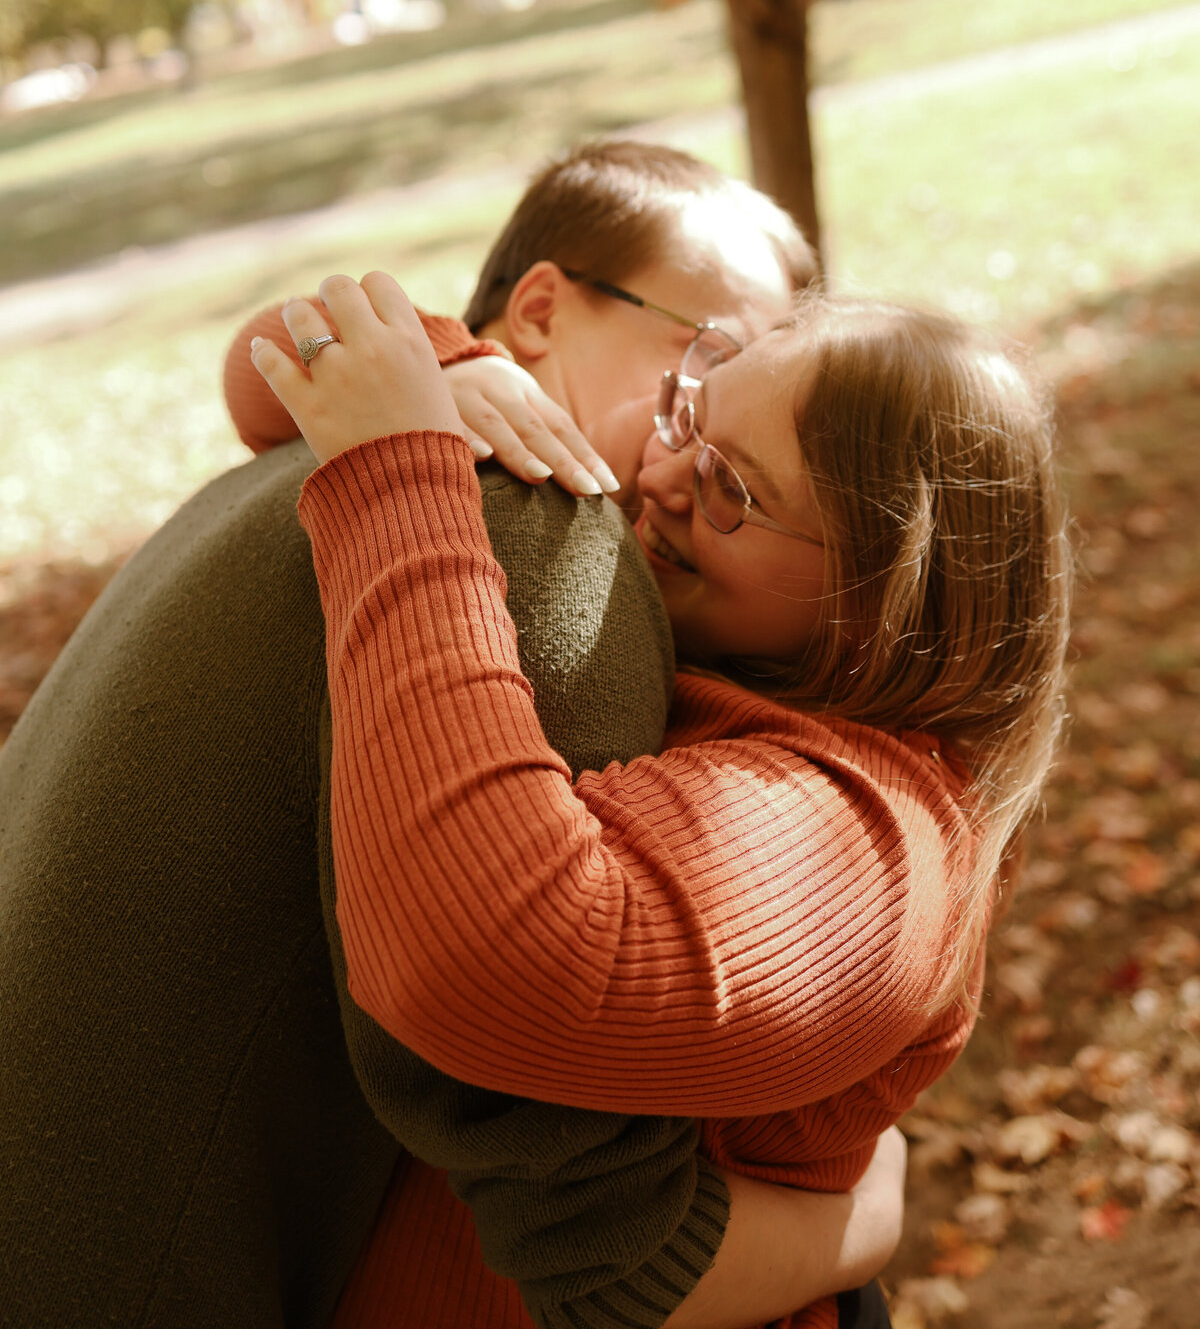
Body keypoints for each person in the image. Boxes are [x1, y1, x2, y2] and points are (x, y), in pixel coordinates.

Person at [0, 144, 899, 1329]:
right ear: (538, 308)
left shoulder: (309, 455)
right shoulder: (539, 536)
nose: (710, 428)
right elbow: (545, 1139)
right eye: (708, 359)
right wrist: (854, 1225)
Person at [249, 270, 1072, 1329]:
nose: (665, 475)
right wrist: (456, 369)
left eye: (736, 489)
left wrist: (397, 480)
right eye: (692, 414)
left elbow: (484, 956)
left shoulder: (876, 848)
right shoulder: (710, 626)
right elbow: (264, 360)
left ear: (886, 603)